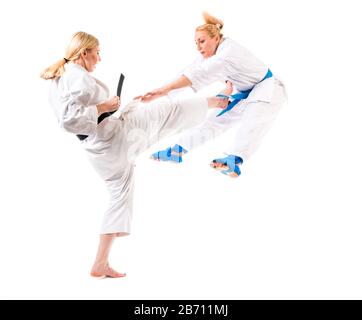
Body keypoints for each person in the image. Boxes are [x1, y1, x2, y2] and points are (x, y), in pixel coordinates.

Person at [40, 31, 231, 278]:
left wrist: (107, 108)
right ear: (84, 52)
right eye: (97, 53)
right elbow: (69, 121)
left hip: (101, 153)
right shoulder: (75, 76)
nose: (99, 59)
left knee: (120, 195)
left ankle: (100, 263)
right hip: (114, 140)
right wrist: (104, 107)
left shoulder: (61, 76)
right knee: (166, 112)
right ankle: (219, 101)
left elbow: (75, 114)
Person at [141, 12, 287, 178]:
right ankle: (177, 151)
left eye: (202, 41)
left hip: (269, 89)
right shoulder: (214, 54)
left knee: (254, 120)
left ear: (216, 38)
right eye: (196, 43)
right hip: (245, 91)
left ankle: (234, 160)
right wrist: (162, 93)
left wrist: (162, 91)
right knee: (215, 120)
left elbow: (196, 75)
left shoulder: (226, 54)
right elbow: (190, 72)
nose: (198, 47)